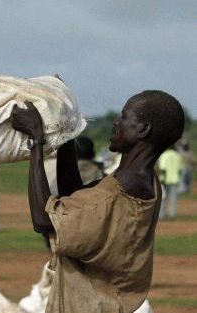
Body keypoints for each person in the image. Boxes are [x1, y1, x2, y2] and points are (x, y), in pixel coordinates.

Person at [10, 90, 184, 312]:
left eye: (124, 116)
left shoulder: (119, 193)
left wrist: (36, 141)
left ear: (143, 129)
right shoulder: (143, 182)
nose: (116, 122)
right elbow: (75, 197)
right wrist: (66, 131)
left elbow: (44, 220)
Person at [158, 145, 183, 220]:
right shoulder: (178, 156)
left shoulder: (164, 155)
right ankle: (172, 214)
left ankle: (161, 215)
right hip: (175, 180)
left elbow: (163, 169)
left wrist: (162, 180)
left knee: (163, 198)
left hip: (165, 180)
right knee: (173, 198)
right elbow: (180, 170)